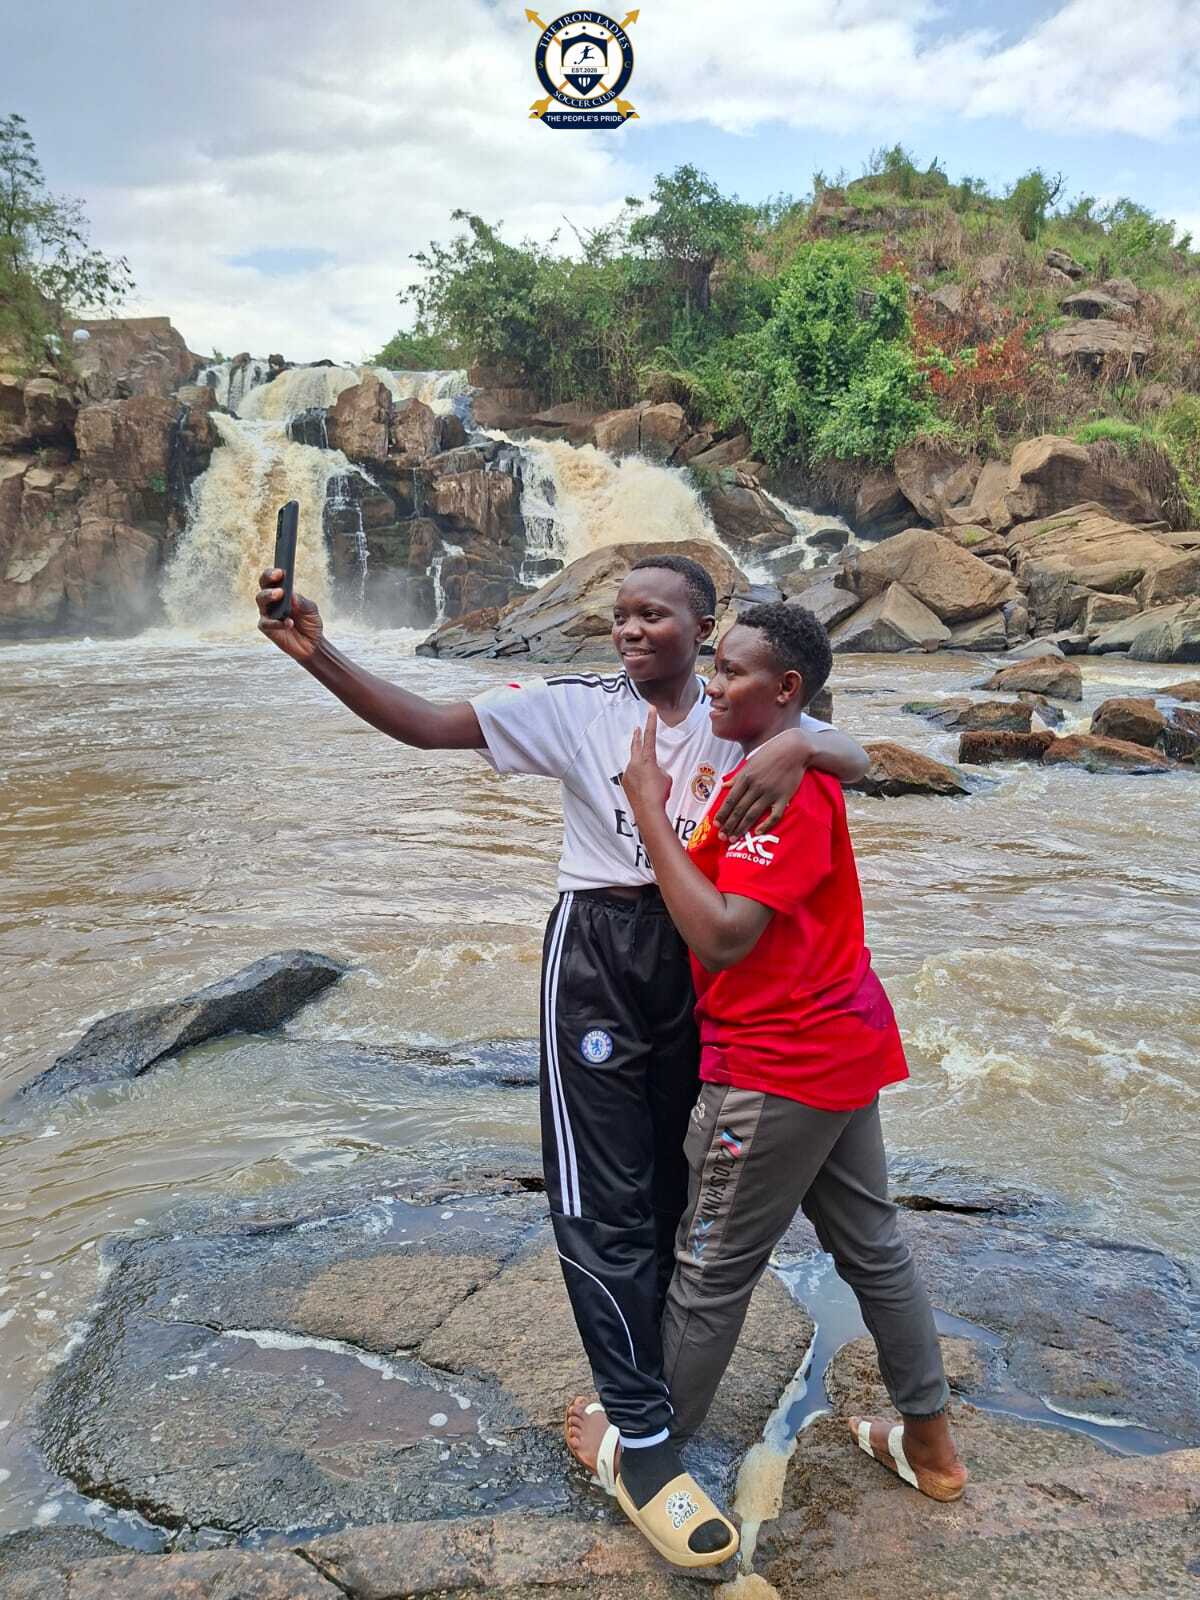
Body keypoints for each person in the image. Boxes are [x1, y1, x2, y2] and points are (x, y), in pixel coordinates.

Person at [256, 553, 870, 1567]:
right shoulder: (577, 707)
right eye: (620, 614)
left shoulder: (741, 716)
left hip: (698, 959)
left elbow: (856, 754)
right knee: (598, 1198)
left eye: (655, 615)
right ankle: (646, 1444)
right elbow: (425, 723)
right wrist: (315, 652)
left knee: (674, 1186)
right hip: (597, 956)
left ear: (706, 628)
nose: (631, 629)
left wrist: (803, 742)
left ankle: (645, 1398)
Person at [567, 600, 967, 1545]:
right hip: (839, 1044)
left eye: (732, 671)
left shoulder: (781, 791)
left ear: (786, 689)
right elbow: (844, 751)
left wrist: (648, 809)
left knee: (710, 1270)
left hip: (775, 1064)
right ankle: (931, 1446)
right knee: (873, 1244)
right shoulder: (785, 760)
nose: (712, 683)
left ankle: (646, 1452)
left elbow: (724, 935)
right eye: (713, 665)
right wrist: (802, 742)